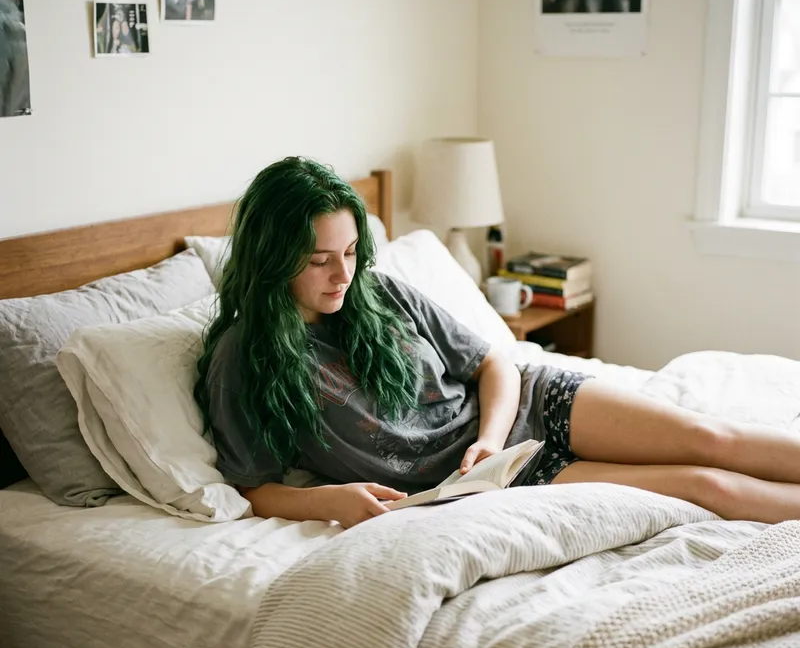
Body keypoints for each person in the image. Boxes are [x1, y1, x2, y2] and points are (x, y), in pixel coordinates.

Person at [195, 157, 800, 529]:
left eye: (351, 253)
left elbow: (495, 362)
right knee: (705, 486)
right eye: (319, 260)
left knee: (712, 438)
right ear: (274, 259)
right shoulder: (244, 360)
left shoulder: (380, 293)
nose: (343, 275)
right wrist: (331, 502)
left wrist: (487, 438)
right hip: (493, 481)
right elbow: (252, 484)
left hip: (522, 410)